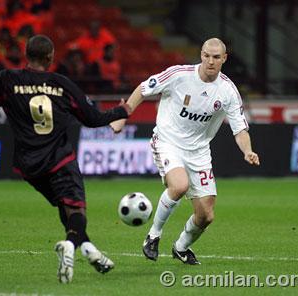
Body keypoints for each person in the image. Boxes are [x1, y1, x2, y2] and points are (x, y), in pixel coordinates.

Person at [0, 35, 131, 283]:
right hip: (59, 158)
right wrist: (122, 111)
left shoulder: (6, 81)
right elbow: (92, 118)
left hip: (29, 166)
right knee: (76, 208)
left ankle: (90, 250)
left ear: (27, 55)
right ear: (50, 57)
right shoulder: (62, 84)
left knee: (63, 204)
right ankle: (69, 245)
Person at [110, 38, 260, 265]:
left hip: (199, 151)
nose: (211, 61)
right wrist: (123, 115)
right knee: (179, 186)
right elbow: (143, 88)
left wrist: (247, 151)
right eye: (207, 56)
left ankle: (181, 247)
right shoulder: (179, 75)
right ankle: (153, 236)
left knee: (206, 215)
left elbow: (240, 129)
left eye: (216, 57)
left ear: (224, 59)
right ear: (201, 54)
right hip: (168, 141)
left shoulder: (228, 91)